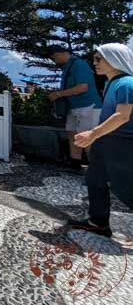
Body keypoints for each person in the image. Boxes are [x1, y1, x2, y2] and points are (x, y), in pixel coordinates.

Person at [68, 43, 133, 238]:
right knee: (95, 180)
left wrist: (92, 134)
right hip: (108, 141)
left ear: (114, 59)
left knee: (126, 187)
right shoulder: (112, 82)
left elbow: (122, 116)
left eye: (99, 59)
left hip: (122, 143)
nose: (94, 63)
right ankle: (98, 223)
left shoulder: (126, 83)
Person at [47, 45, 102, 172]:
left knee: (86, 137)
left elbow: (83, 87)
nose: (55, 61)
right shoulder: (68, 66)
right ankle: (75, 163)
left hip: (88, 106)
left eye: (54, 58)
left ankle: (96, 169)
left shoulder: (79, 65)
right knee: (72, 133)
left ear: (60, 54)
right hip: (74, 106)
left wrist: (59, 94)